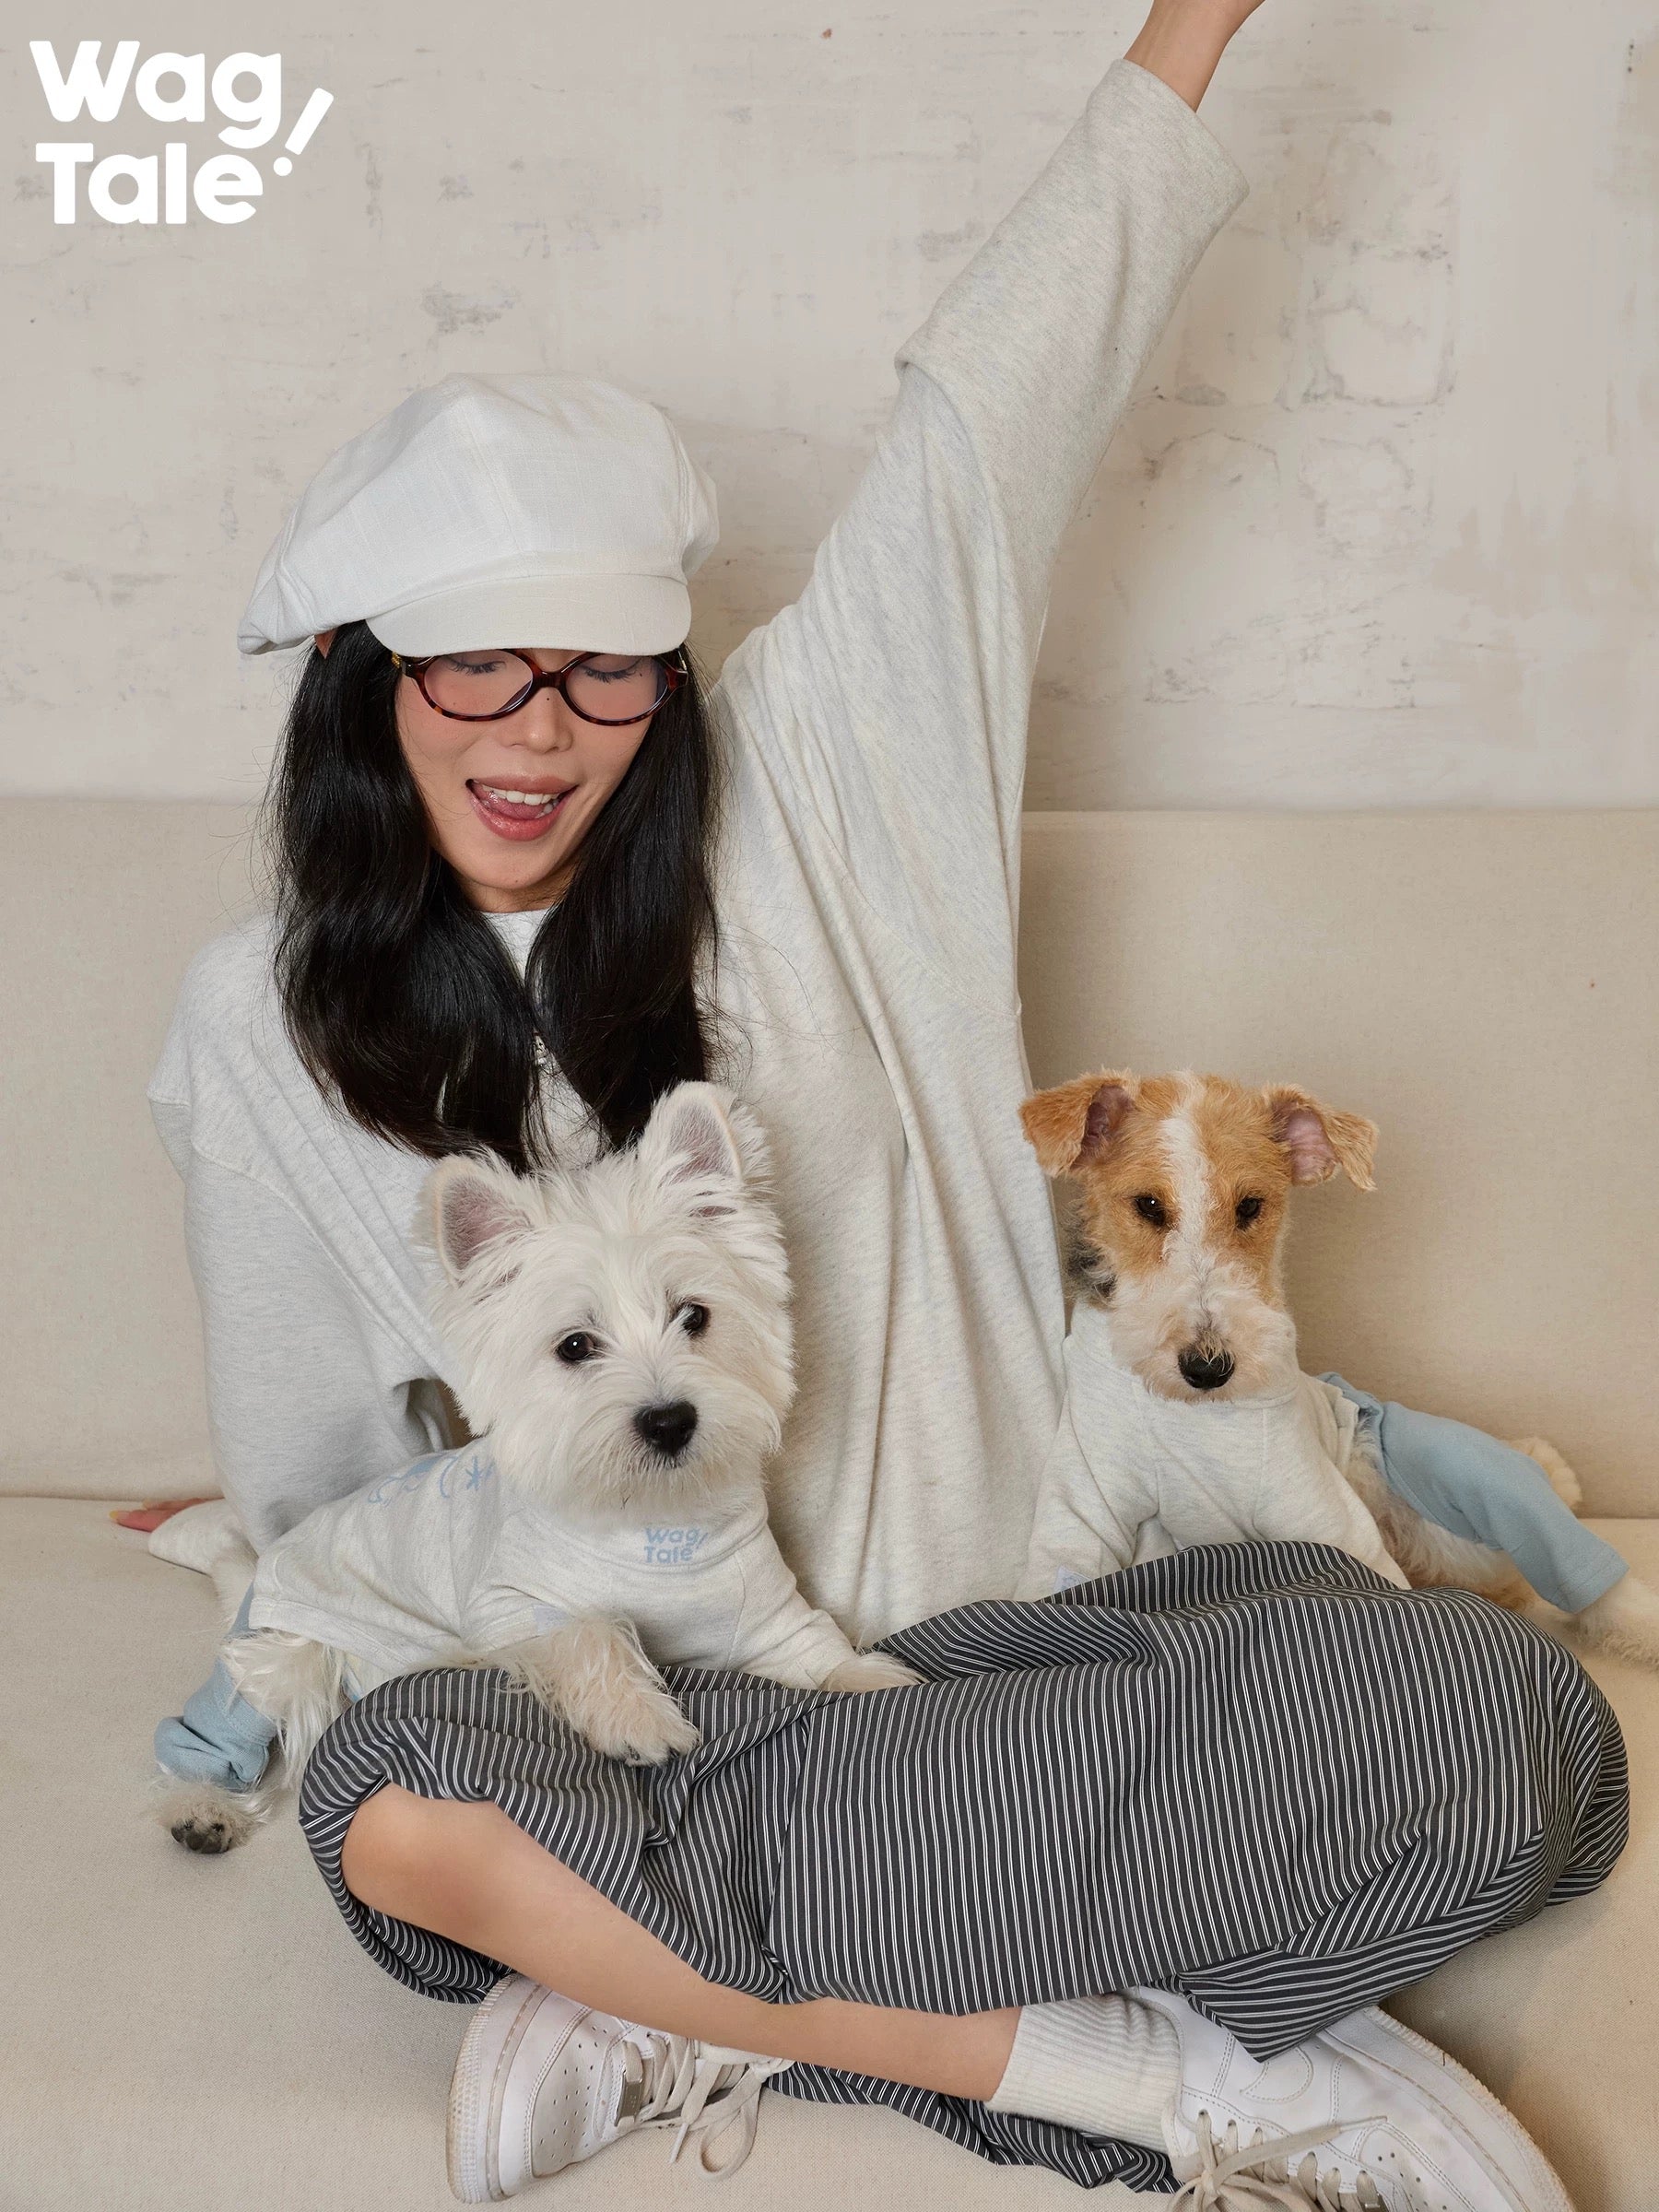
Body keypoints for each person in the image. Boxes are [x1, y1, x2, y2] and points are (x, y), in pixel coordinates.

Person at [145, 3, 1628, 2206]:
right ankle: (1168, 2077)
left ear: (667, 671)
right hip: (651, 1713)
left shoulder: (824, 782)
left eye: (600, 663)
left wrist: (1193, 26)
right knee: (395, 1797)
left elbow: (987, 426)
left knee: (1507, 1735)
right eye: (474, 660)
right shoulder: (261, 1031)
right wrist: (266, 1563)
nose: (541, 728)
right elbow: (339, 1492)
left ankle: (673, 1995)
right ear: (365, 680)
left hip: (979, 1670)